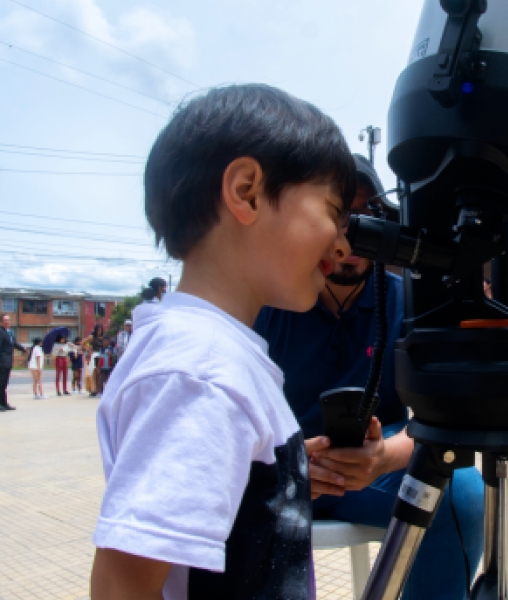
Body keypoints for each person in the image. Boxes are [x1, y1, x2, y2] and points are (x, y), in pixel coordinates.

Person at [90, 83, 355, 600]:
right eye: (332, 209)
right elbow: (125, 581)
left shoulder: (213, 356)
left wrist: (278, 487)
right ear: (247, 191)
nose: (343, 243)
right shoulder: (202, 372)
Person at [253, 154, 485, 600]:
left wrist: (386, 456)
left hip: (378, 466)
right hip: (280, 467)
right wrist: (287, 461)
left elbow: (452, 419)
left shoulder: (408, 302)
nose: (353, 233)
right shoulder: (270, 303)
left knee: (461, 493)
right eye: (338, 215)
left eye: (368, 216)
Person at [1, 313, 27, 411]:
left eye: (8, 320)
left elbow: (14, 343)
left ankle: (4, 403)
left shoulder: (9, 332)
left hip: (8, 361)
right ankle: (1, 404)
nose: (7, 322)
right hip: (2, 362)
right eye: (5, 320)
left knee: (4, 384)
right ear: (1, 322)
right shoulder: (1, 332)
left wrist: (22, 348)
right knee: (1, 384)